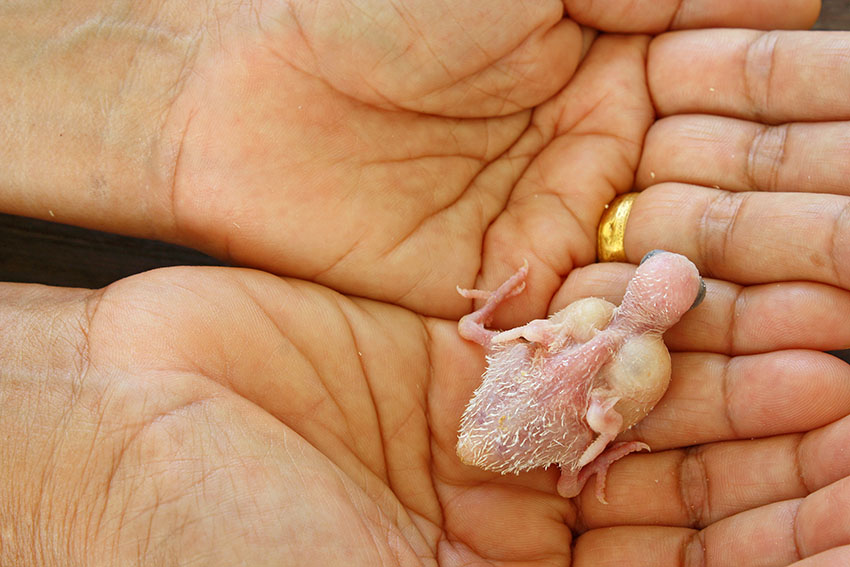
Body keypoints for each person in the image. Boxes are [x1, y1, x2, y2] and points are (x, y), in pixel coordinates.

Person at [1, 1, 847, 564]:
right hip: (531, 419)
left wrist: (553, 356)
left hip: (526, 404)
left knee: (528, 364)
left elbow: (561, 372)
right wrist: (600, 427)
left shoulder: (594, 318)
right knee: (567, 421)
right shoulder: (632, 351)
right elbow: (587, 408)